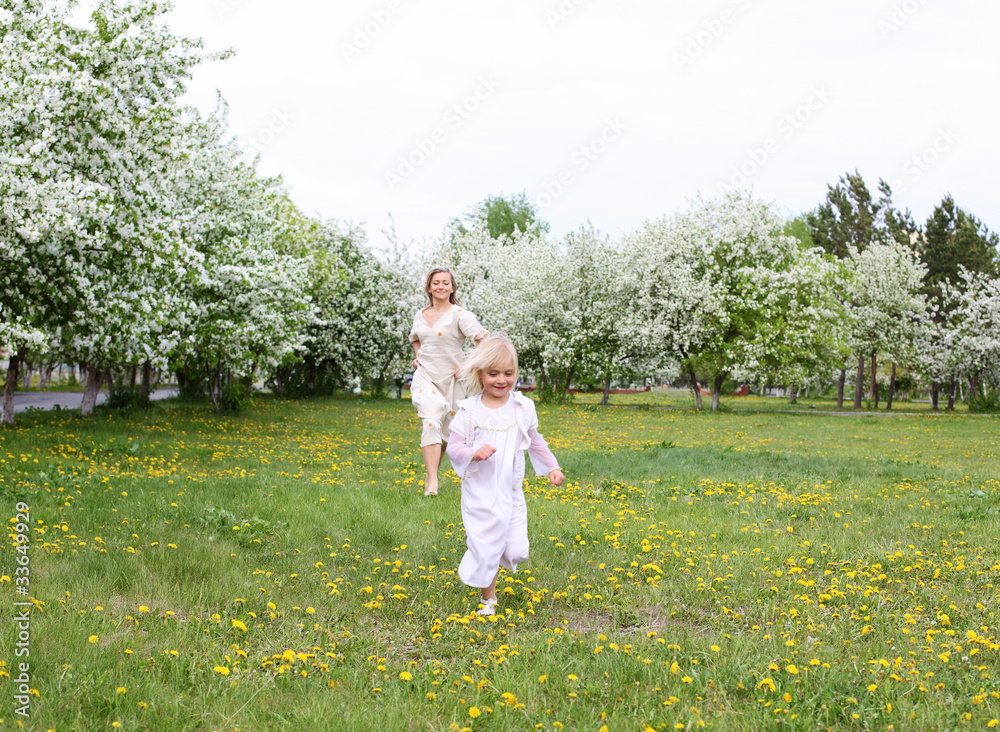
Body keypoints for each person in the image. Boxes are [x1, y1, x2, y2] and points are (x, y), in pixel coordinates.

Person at [446, 335, 564, 616]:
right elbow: (453, 448)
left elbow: (535, 441)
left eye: (508, 373)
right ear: (480, 374)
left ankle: (490, 556)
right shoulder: (469, 410)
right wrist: (474, 452)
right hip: (480, 492)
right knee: (487, 546)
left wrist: (553, 467)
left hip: (510, 490)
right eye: (493, 374)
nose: (501, 380)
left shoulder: (523, 407)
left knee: (516, 551)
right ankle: (488, 599)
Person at [409, 267, 488, 496]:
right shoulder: (420, 315)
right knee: (430, 418)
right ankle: (433, 480)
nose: (441, 286)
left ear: (452, 288)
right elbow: (415, 338)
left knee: (445, 431)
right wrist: (418, 357)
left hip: (453, 381)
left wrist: (469, 364)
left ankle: (430, 474)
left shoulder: (460, 315)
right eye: (436, 283)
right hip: (425, 377)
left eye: (445, 282)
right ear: (429, 288)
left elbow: (483, 340)